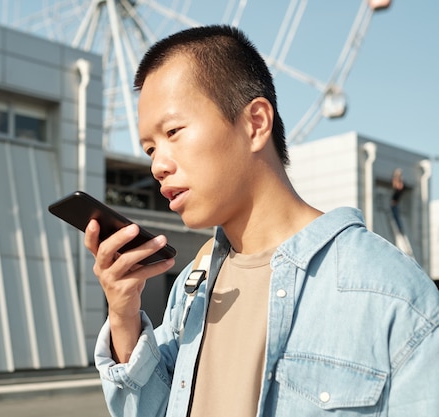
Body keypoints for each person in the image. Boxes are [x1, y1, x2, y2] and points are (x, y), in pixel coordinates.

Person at [84, 25, 439, 417]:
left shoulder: (392, 294)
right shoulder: (193, 288)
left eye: (173, 132)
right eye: (150, 148)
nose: (157, 165)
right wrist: (123, 313)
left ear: (255, 123)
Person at [391, 168, 405, 232]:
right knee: (395, 216)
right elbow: (395, 184)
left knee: (396, 216)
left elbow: (399, 185)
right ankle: (399, 228)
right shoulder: (397, 184)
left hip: (395, 204)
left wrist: (398, 177)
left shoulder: (400, 188)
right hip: (393, 204)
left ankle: (399, 228)